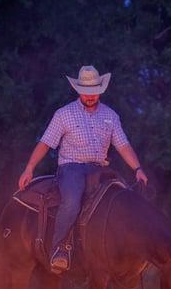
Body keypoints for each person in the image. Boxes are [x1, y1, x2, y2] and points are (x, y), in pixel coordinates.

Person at [18, 65, 148, 273]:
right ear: (79, 91)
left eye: (93, 92)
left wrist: (138, 169)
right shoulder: (64, 114)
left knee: (124, 198)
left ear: (100, 90)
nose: (90, 97)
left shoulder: (111, 116)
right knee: (71, 200)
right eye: (86, 93)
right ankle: (59, 248)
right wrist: (29, 168)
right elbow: (45, 142)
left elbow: (123, 145)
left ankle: (125, 250)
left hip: (100, 168)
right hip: (72, 168)